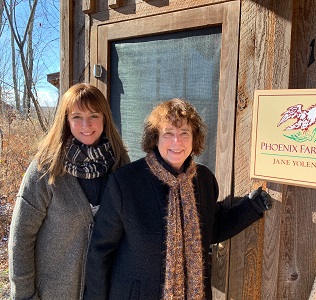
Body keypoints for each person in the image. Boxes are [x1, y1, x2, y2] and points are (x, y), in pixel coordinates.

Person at [83, 98, 272, 300]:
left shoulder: (204, 180)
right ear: (156, 138)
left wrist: (251, 207)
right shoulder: (126, 182)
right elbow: (100, 251)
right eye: (168, 134)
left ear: (194, 139)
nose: (177, 141)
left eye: (184, 133)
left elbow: (210, 228)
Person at [8, 83, 129, 300]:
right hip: (51, 294)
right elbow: (21, 237)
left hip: (107, 292)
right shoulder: (45, 168)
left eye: (94, 115)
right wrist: (25, 295)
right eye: (76, 117)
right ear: (65, 120)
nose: (86, 124)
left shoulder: (120, 167)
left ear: (105, 118)